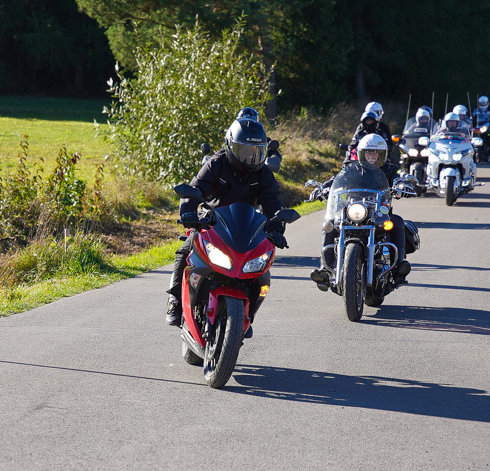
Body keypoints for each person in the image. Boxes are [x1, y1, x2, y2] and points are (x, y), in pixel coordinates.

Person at [165, 118, 286, 329]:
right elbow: (195, 189)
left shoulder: (264, 174)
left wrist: (276, 228)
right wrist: (188, 213)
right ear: (230, 146)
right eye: (244, 150)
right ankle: (175, 300)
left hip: (246, 226)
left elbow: (273, 205)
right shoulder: (216, 163)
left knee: (262, 269)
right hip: (212, 220)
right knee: (184, 251)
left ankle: (246, 314)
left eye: (256, 151)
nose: (250, 156)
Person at [309, 134, 410, 290]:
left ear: (382, 154)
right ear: (362, 153)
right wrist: (323, 188)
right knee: (329, 224)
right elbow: (337, 179)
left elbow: (397, 179)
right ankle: (325, 270)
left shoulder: (389, 170)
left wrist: (401, 186)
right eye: (369, 152)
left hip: (378, 214)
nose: (372, 156)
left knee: (396, 221)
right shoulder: (352, 168)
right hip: (353, 212)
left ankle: (398, 269)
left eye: (376, 153)